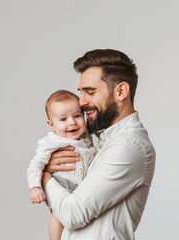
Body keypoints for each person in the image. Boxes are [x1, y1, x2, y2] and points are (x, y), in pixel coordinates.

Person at [41, 49, 156, 240]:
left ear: (121, 91)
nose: (81, 101)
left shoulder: (129, 146)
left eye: (90, 92)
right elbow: (65, 205)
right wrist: (59, 176)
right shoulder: (104, 142)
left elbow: (73, 214)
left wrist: (45, 177)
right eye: (81, 92)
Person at [27, 90, 96, 240]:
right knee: (58, 217)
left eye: (77, 116)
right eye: (63, 119)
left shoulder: (85, 136)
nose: (72, 122)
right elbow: (36, 164)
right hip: (61, 185)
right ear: (51, 124)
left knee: (79, 220)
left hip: (81, 188)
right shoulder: (51, 142)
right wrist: (35, 187)